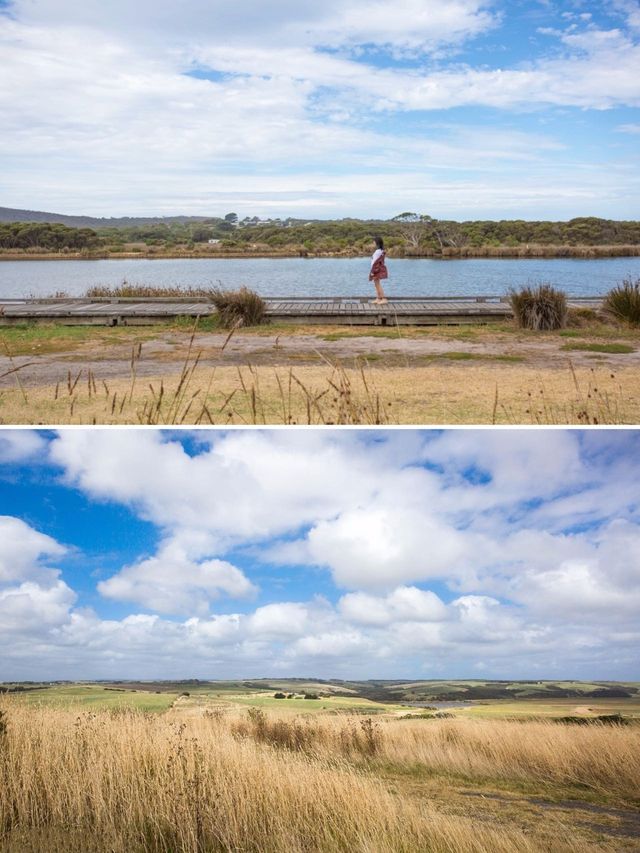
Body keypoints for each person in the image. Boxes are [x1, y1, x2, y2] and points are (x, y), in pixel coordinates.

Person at [369, 236, 388, 304]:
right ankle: (378, 298)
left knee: (378, 284)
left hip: (376, 269)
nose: (373, 242)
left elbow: (375, 262)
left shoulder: (378, 251)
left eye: (374, 241)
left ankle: (383, 299)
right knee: (376, 284)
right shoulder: (381, 250)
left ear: (377, 242)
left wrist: (372, 271)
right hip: (376, 269)